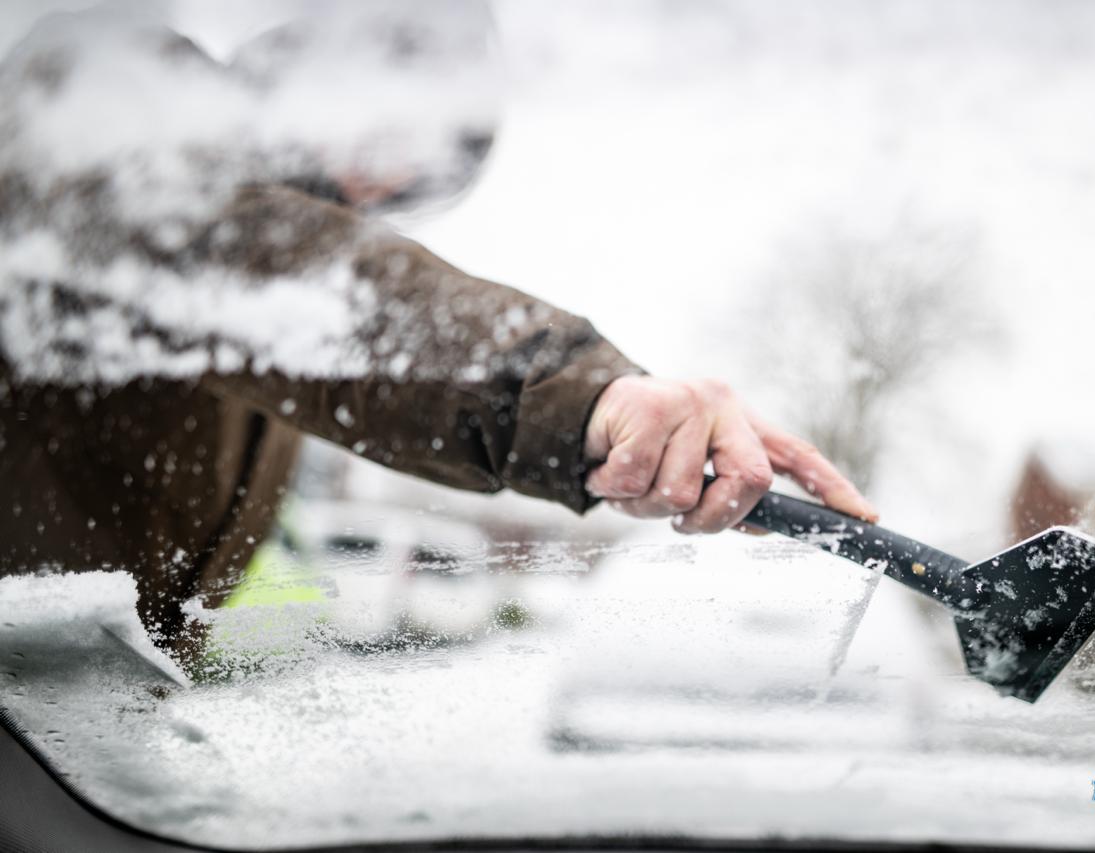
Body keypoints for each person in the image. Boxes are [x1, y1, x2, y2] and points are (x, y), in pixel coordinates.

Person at [0, 7, 876, 662]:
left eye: (422, 173)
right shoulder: (100, 95)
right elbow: (257, 261)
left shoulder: (267, 331)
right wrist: (580, 397)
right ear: (314, 60)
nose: (378, 184)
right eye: (391, 128)